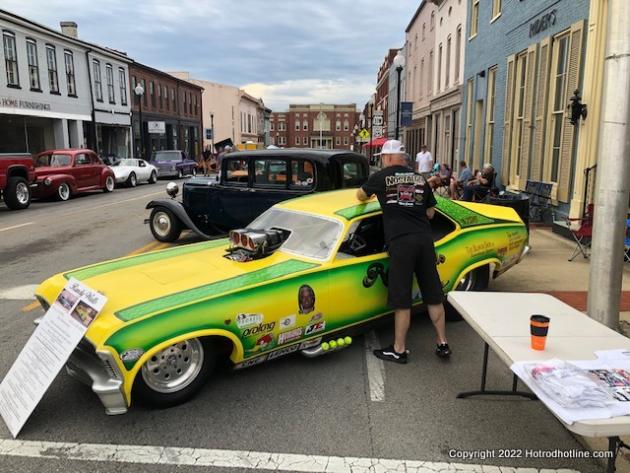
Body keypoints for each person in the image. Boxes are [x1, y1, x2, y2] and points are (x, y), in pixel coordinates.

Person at [356, 139, 450, 363]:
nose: (382, 161)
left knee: (402, 298)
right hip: (424, 241)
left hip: (401, 243)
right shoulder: (420, 178)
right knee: (433, 295)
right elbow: (430, 213)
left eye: (382, 158)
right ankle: (442, 343)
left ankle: (399, 350)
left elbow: (360, 195)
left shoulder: (381, 177)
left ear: (387, 157)